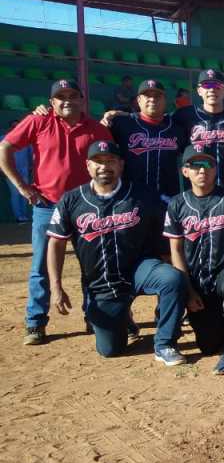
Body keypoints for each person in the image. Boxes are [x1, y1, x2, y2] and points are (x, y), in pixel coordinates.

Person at [46, 140, 188, 363]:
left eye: (110, 161)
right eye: (98, 162)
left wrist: (181, 284)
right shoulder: (71, 200)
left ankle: (165, 343)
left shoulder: (142, 195)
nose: (104, 166)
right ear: (88, 166)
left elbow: (165, 237)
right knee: (110, 350)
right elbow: (56, 243)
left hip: (139, 269)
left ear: (121, 165)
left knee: (171, 279)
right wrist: (56, 286)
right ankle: (124, 318)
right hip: (101, 283)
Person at [0, 78, 112, 345]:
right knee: (41, 265)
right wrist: (22, 187)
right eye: (61, 97)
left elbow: (113, 161)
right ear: (52, 102)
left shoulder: (96, 129)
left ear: (81, 100)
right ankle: (35, 322)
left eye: (73, 96)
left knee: (93, 265)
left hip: (86, 205)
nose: (67, 101)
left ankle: (93, 317)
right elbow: (5, 147)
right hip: (47, 205)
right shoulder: (38, 121)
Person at [163, 146, 224, 374]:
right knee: (208, 346)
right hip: (196, 279)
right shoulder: (177, 204)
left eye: (207, 165)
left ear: (215, 169)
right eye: (195, 165)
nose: (202, 170)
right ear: (185, 171)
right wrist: (188, 290)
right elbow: (176, 250)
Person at [100, 79, 187, 202]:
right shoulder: (122, 123)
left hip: (168, 199)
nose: (152, 99)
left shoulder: (176, 128)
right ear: (138, 100)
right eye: (147, 95)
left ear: (165, 100)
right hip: (130, 200)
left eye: (157, 96)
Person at [172, 68, 224, 193]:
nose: (212, 90)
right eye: (206, 85)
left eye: (217, 85)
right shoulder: (184, 116)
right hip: (197, 192)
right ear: (199, 90)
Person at [2, 120, 31, 222]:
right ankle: (18, 216)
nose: (16, 128)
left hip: (24, 171)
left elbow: (30, 155)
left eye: (18, 126)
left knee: (25, 193)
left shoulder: (26, 139)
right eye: (14, 126)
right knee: (15, 194)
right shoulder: (3, 139)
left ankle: (23, 216)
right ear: (10, 128)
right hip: (10, 172)